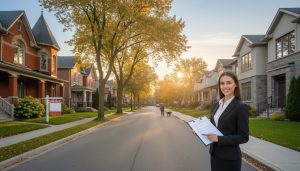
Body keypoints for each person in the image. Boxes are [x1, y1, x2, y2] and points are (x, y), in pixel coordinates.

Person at [204, 71, 249, 171]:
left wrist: (218, 139)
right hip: (214, 155)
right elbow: (214, 127)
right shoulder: (217, 105)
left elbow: (243, 137)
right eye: (222, 83)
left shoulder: (240, 107)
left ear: (235, 84)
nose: (225, 86)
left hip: (230, 159)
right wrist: (200, 131)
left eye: (229, 82)